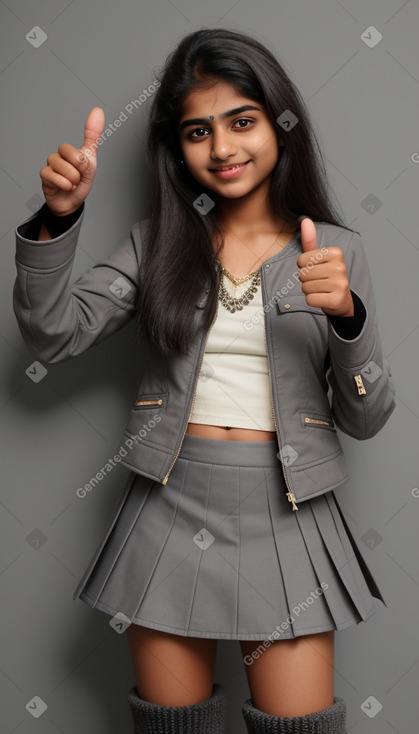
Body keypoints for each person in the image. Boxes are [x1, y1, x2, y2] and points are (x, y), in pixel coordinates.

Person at [13, 27, 395, 734]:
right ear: (175, 148)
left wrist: (348, 317)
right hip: (168, 506)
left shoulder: (338, 252)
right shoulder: (154, 244)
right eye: (197, 131)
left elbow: (367, 417)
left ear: (281, 124)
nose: (222, 149)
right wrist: (57, 219)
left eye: (242, 121)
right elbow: (52, 332)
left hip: (290, 511)